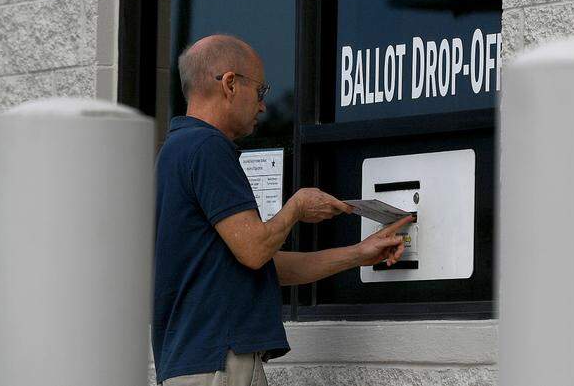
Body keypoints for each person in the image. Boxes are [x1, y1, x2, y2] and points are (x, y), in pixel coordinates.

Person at [153, 34, 413, 385]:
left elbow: (265, 266)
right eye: (260, 92)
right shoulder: (207, 146)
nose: (263, 106)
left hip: (194, 359)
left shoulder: (177, 150)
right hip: (218, 359)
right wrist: (297, 206)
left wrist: (359, 254)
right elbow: (256, 250)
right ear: (230, 83)